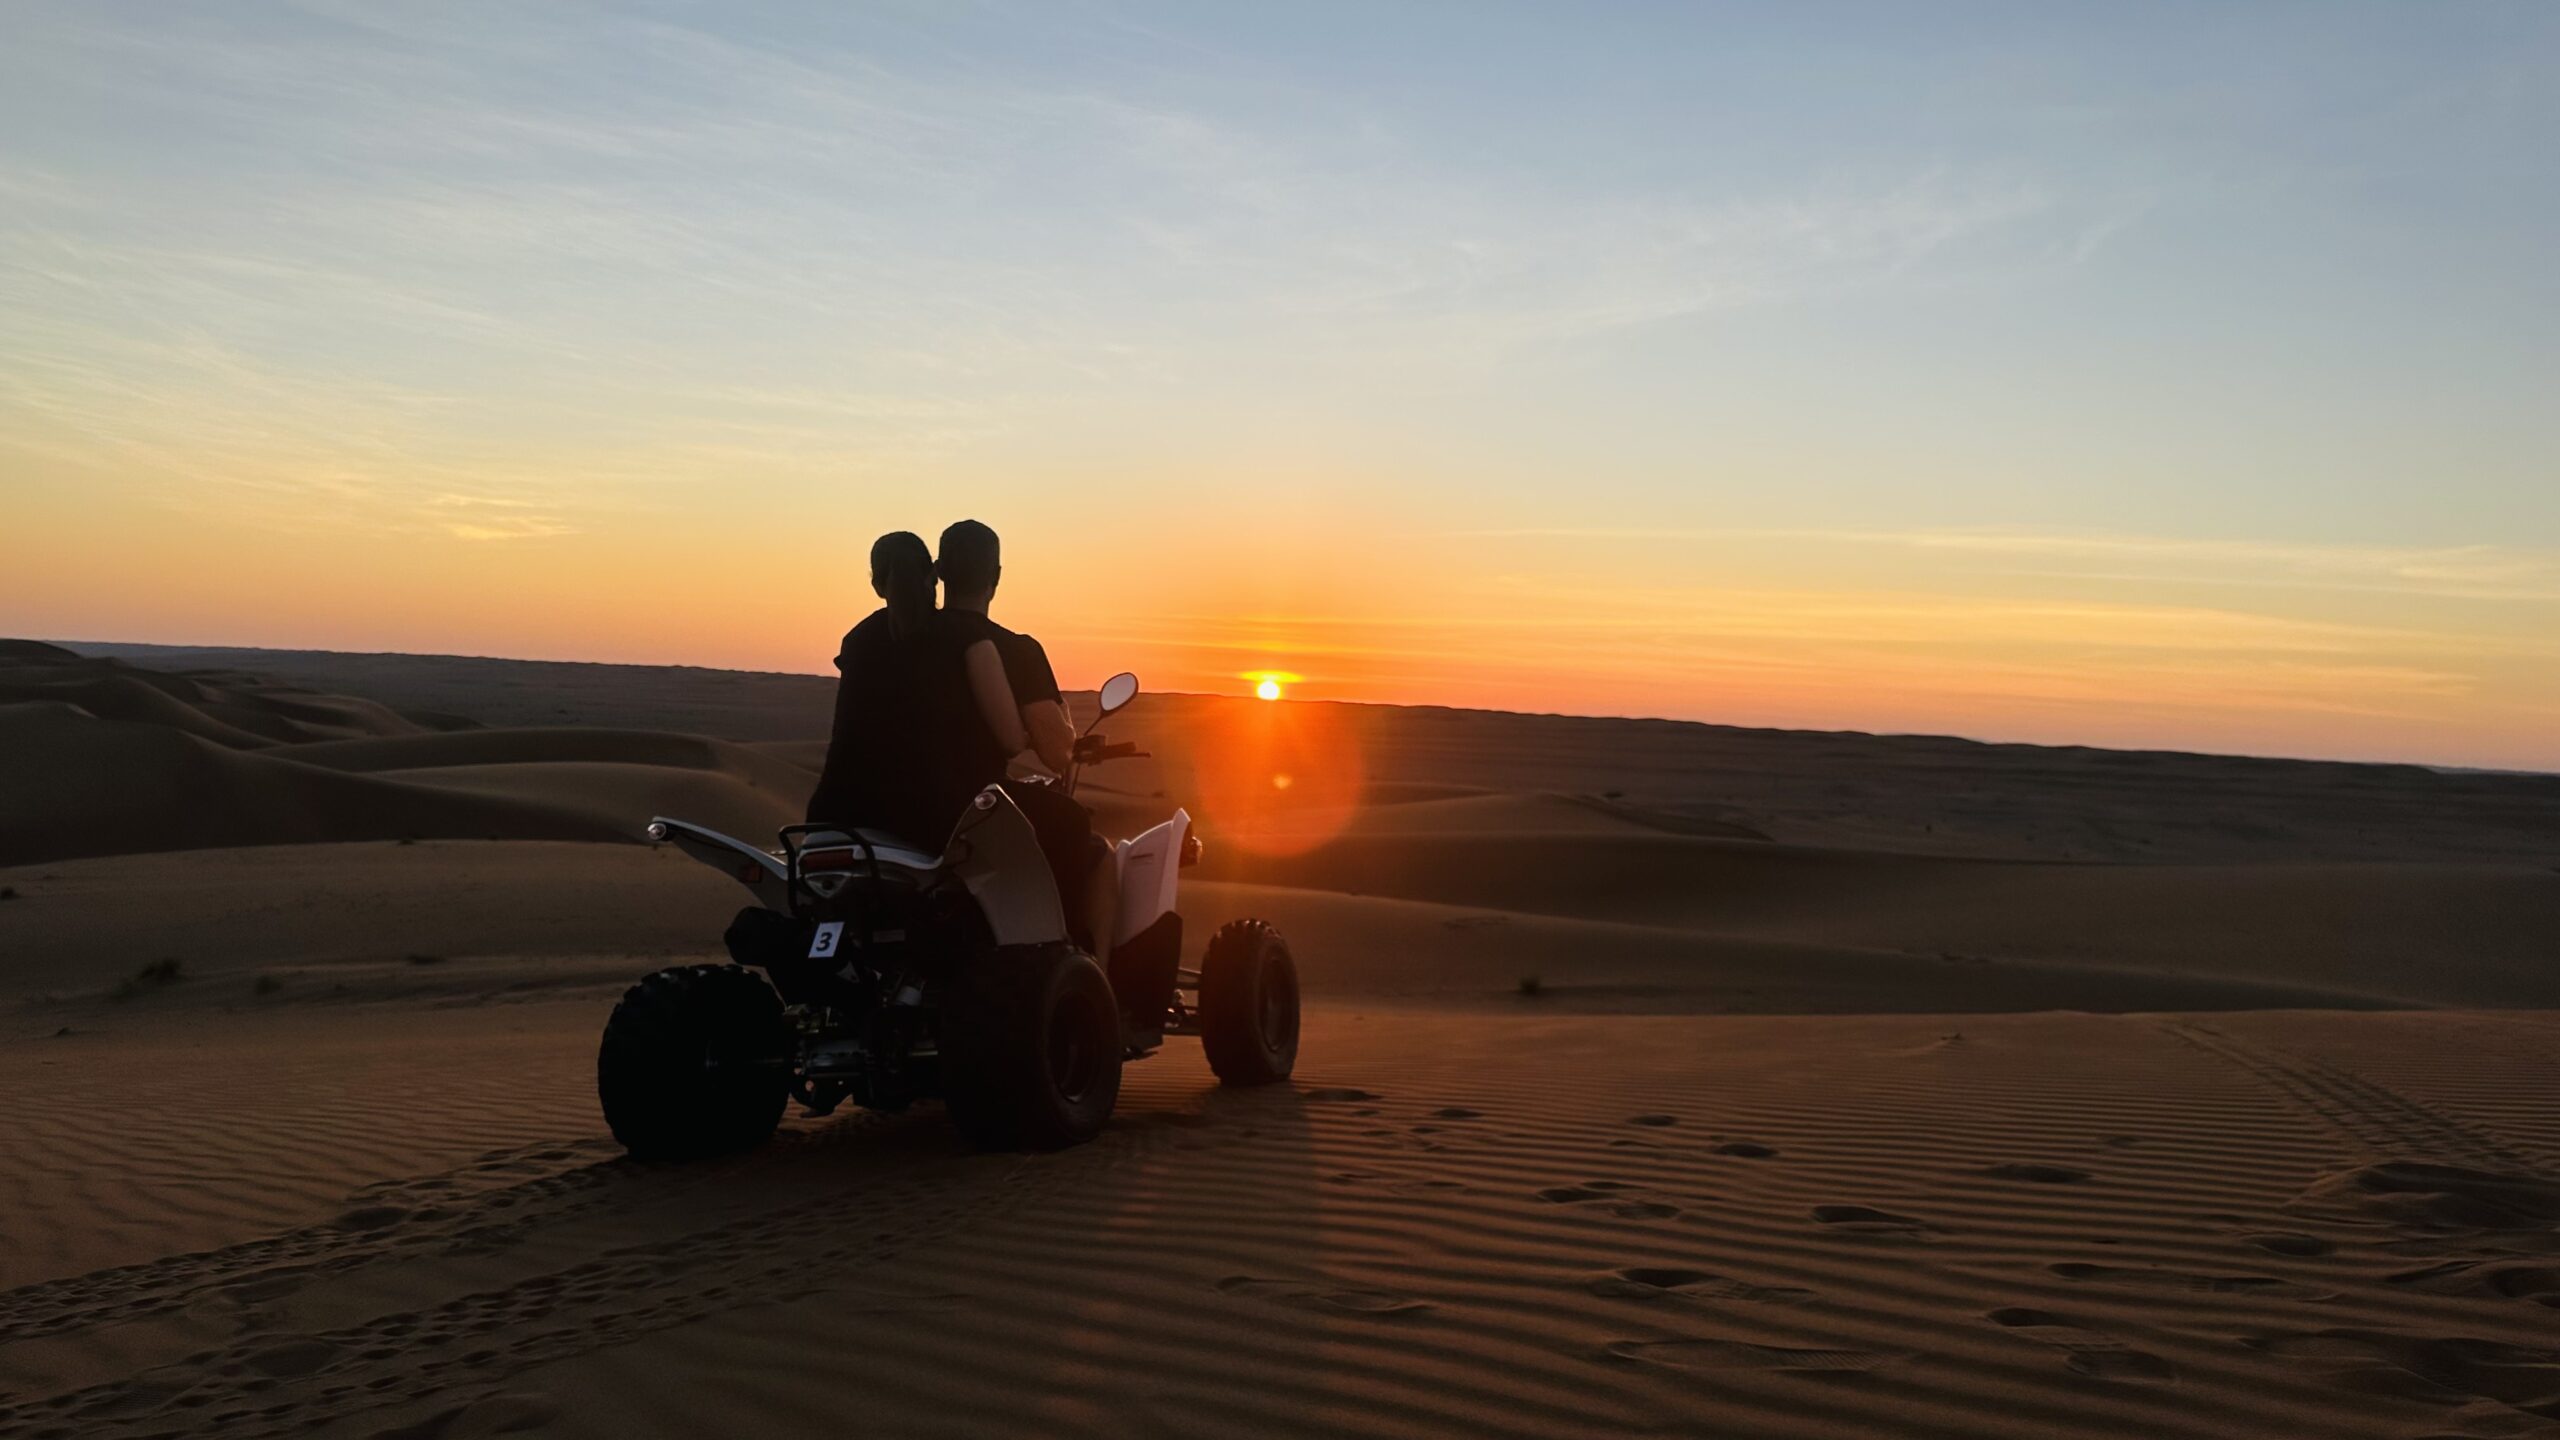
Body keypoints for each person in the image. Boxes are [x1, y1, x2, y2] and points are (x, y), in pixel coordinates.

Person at [936, 519, 1119, 965]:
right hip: (972, 808)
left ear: (940, 572)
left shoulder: (903, 640)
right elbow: (1059, 752)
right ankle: (1080, 968)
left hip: (899, 809)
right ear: (996, 577)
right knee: (1081, 833)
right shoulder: (1012, 649)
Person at [805, 532, 985, 846]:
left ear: (876, 586)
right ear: (934, 574)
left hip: (833, 811)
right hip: (920, 818)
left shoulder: (857, 640)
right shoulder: (960, 637)